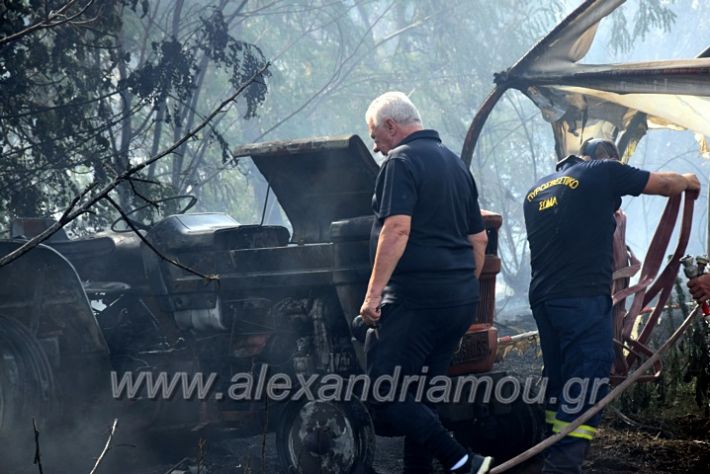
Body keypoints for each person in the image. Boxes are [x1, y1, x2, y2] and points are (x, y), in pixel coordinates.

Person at [523, 142, 700, 474]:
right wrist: (689, 180)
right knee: (589, 378)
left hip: (544, 300)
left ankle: (549, 444)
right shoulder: (603, 171)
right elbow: (663, 185)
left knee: (560, 379)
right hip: (582, 298)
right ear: (609, 160)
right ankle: (562, 465)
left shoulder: (535, 191)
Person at [359, 91, 492, 474]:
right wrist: (460, 288)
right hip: (458, 303)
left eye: (375, 135)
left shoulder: (401, 161)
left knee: (385, 392)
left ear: (391, 126)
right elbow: (478, 239)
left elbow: (397, 229)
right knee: (421, 397)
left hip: (417, 301)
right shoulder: (454, 163)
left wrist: (372, 297)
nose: (376, 146)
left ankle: (461, 461)